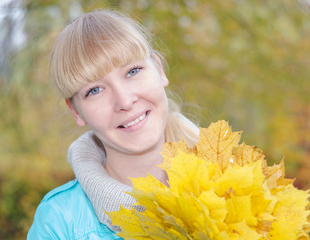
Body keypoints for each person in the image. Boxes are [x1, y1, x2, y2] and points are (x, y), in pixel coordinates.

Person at [27, 9, 199, 239]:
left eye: (132, 71)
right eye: (94, 90)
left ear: (159, 70)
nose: (125, 101)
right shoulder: (59, 221)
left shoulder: (235, 183)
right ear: (76, 111)